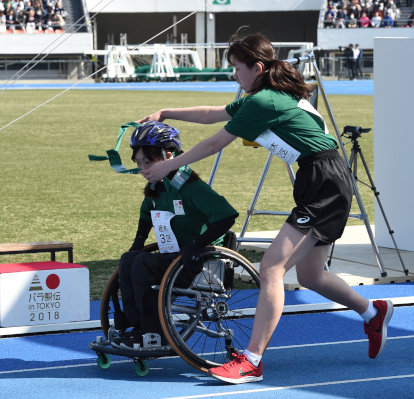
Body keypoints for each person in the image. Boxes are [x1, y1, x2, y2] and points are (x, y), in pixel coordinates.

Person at [136, 28, 394, 385]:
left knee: (271, 266)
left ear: (257, 67)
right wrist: (167, 112)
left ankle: (252, 361)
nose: (234, 75)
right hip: (320, 178)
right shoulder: (259, 96)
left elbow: (214, 143)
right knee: (310, 275)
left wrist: (168, 165)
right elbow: (214, 114)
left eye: (238, 68)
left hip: (324, 180)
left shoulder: (263, 101)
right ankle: (372, 311)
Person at [114, 121, 239, 344]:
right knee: (129, 259)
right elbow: (146, 215)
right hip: (174, 258)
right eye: (139, 163)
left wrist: (196, 245)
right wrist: (137, 243)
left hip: (198, 262)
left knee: (142, 263)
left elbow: (227, 216)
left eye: (149, 162)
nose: (144, 170)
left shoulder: (191, 187)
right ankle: (136, 325)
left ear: (169, 155)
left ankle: (154, 332)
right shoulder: (156, 187)